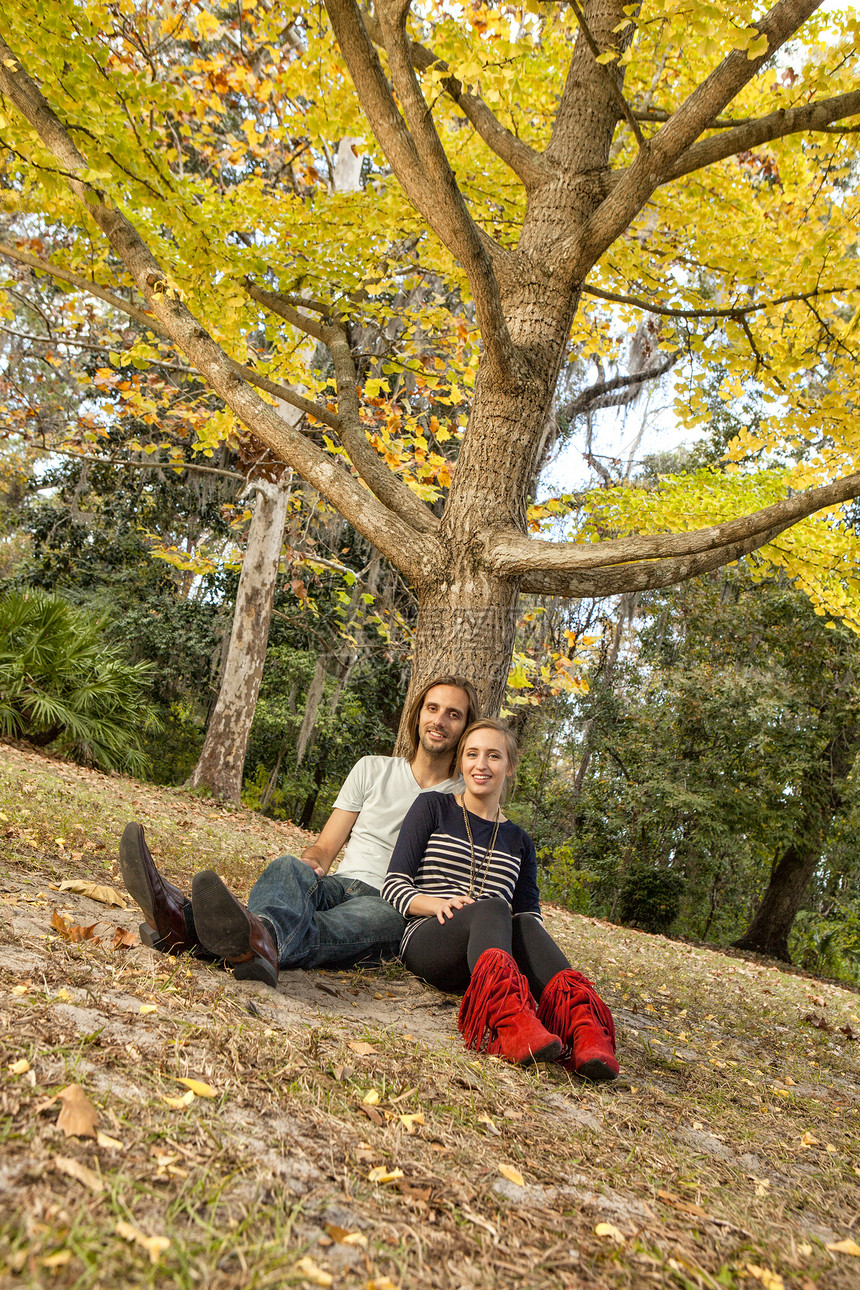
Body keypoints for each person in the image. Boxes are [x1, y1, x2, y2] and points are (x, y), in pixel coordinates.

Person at [119, 676, 479, 988]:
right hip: (339, 882)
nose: (439, 720)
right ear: (417, 715)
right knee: (287, 867)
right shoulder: (372, 769)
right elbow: (325, 845)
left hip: (390, 903)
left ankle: (186, 924)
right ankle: (250, 938)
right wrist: (311, 865)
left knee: (326, 927)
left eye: (453, 714)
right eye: (432, 708)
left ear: (465, 727)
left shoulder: (465, 799)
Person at [382, 718, 619, 1080]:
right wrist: (437, 904)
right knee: (493, 906)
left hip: (489, 959)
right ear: (461, 761)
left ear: (509, 767)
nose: (481, 765)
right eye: (472, 754)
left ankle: (585, 1031)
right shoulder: (433, 807)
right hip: (430, 939)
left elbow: (530, 914)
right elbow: (394, 884)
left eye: (494, 756)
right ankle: (511, 1025)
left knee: (521, 920)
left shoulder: (520, 841)